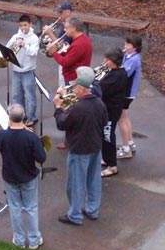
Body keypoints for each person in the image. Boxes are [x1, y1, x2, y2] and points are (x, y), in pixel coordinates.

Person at [53, 66, 108, 225]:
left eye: (76, 86)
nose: (74, 89)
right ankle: (92, 210)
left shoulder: (78, 108)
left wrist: (58, 107)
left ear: (82, 89)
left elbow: (62, 123)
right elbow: (104, 122)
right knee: (93, 181)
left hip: (79, 150)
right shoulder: (99, 103)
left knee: (76, 184)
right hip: (96, 148)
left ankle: (75, 215)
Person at [0, 104, 46, 249]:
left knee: (15, 208)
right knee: (31, 208)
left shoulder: (2, 135)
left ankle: (19, 240)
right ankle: (34, 240)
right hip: (28, 177)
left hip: (10, 177)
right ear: (23, 117)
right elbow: (41, 158)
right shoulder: (31, 137)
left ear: (9, 118)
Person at [48, 17, 93, 149]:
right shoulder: (81, 40)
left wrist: (54, 52)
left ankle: (70, 140)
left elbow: (65, 62)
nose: (65, 30)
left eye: (67, 28)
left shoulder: (79, 44)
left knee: (70, 109)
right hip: (74, 77)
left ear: (74, 28)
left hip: (73, 79)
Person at [6, 14, 39, 128]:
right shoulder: (16, 36)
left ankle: (31, 118)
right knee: (16, 96)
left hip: (28, 71)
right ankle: (19, 115)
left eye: (25, 25)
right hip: (16, 71)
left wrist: (25, 45)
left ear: (30, 24)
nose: (23, 28)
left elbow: (33, 52)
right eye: (21, 26)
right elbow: (7, 48)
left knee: (30, 96)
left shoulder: (34, 38)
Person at [100, 48, 128, 177]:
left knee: (107, 136)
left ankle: (112, 166)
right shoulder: (115, 72)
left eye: (108, 60)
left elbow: (101, 88)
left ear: (115, 61)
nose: (105, 62)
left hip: (111, 111)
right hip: (109, 109)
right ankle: (107, 159)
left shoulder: (117, 76)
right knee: (105, 135)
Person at [117, 35, 142, 159]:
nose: (125, 47)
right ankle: (130, 143)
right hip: (126, 93)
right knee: (125, 117)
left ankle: (126, 148)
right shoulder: (129, 56)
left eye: (128, 45)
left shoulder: (134, 60)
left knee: (120, 119)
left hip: (126, 94)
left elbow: (123, 74)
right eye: (125, 44)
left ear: (135, 48)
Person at [42, 1, 73, 87]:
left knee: (65, 87)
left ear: (68, 13)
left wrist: (50, 33)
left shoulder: (70, 27)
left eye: (60, 12)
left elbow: (61, 45)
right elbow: (59, 41)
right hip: (62, 60)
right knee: (62, 87)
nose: (59, 15)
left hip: (68, 62)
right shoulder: (64, 25)